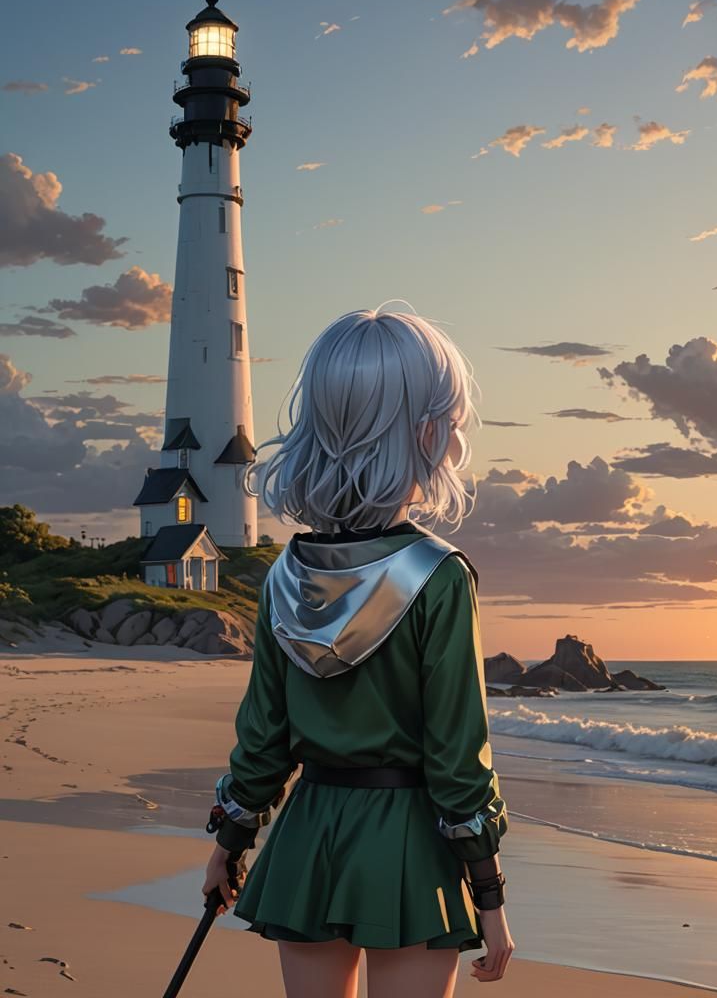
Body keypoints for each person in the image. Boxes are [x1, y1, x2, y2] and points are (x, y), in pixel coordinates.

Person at [201, 303, 515, 997]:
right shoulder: (438, 577)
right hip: (407, 847)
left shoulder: (285, 575)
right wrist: (489, 896)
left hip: (308, 832)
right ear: (427, 431)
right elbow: (457, 758)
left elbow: (264, 741)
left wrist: (230, 841)